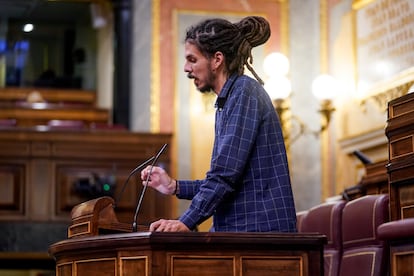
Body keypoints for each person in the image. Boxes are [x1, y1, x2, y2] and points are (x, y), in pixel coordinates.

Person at [141, 16, 297, 233]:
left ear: (217, 59)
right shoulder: (228, 100)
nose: (186, 68)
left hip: (259, 237)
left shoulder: (244, 92)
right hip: (240, 233)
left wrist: (186, 221)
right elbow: (227, 179)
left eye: (192, 60)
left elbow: (224, 176)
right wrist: (173, 186)